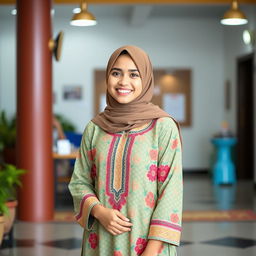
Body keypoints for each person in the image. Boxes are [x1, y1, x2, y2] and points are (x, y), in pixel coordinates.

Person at [68, 45, 183, 256]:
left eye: (134, 74)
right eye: (116, 73)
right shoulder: (95, 128)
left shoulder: (163, 127)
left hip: (148, 245)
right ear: (107, 77)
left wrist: (152, 251)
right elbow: (79, 181)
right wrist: (99, 212)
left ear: (146, 79)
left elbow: (171, 192)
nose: (123, 82)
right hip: (100, 242)